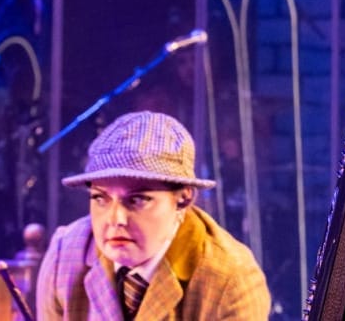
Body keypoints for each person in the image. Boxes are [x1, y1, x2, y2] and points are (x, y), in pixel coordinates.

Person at [36, 111, 271, 320]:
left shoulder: (231, 280)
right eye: (100, 198)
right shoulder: (65, 253)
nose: (116, 219)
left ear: (184, 199)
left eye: (137, 200)